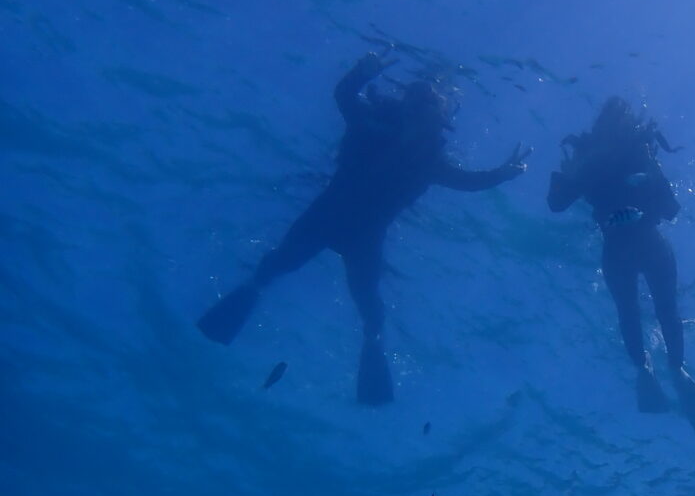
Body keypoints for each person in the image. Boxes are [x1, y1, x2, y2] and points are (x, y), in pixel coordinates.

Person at [197, 52, 529, 405]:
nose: (420, 117)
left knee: (369, 307)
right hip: (325, 220)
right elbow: (344, 97)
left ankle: (372, 350)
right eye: (416, 107)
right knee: (276, 266)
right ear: (406, 110)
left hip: (359, 236)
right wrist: (361, 74)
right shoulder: (371, 128)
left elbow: (471, 182)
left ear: (440, 120)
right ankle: (243, 302)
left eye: (430, 109)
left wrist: (503, 173)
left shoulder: (430, 162)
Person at [547, 97, 695, 428]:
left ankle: (644, 369)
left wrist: (568, 173)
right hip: (652, 243)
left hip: (615, 250)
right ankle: (677, 369)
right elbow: (671, 210)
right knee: (667, 310)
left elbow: (556, 204)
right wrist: (650, 174)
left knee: (629, 313)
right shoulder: (638, 150)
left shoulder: (591, 157)